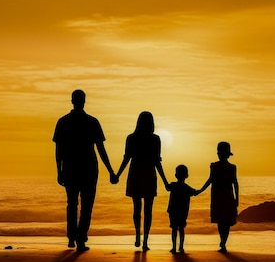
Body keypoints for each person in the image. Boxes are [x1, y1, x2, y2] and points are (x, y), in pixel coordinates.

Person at [52, 89, 117, 252]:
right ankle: (79, 238)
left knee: (72, 204)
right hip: (87, 168)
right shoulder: (91, 121)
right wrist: (110, 170)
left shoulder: (63, 121)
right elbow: (101, 149)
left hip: (71, 167)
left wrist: (59, 170)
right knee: (86, 205)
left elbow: (59, 150)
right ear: (83, 101)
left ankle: (72, 237)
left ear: (72, 101)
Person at [115, 111, 169, 251]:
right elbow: (157, 162)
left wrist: (118, 175)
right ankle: (145, 240)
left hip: (135, 174)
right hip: (149, 175)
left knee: (137, 208)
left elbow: (126, 159)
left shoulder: (131, 138)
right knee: (148, 210)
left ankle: (138, 236)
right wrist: (165, 181)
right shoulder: (155, 139)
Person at [198, 141, 239, 253]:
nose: (219, 154)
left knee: (223, 221)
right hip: (224, 197)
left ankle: (223, 242)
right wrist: (237, 199)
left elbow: (211, 180)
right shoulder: (227, 167)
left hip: (220, 197)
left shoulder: (219, 166)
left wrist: (200, 190)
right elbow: (234, 183)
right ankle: (223, 242)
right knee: (225, 221)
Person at [166, 164, 199, 253]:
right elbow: (196, 192)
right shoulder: (187, 188)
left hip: (173, 210)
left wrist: (163, 178)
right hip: (182, 211)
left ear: (176, 175)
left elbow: (166, 187)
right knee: (181, 228)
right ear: (186, 176)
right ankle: (181, 246)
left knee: (174, 229)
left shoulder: (173, 185)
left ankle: (173, 247)